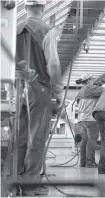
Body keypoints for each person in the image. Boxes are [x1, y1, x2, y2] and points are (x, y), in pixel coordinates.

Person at [16, 0, 63, 196]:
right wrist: (58, 91)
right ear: (43, 8)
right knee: (36, 137)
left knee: (19, 136)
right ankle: (30, 185)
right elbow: (52, 64)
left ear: (25, 7)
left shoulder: (14, 29)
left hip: (17, 89)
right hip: (39, 89)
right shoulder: (47, 30)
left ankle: (12, 178)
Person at [75, 74, 103, 168]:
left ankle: (83, 162)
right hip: (90, 118)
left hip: (82, 119)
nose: (93, 81)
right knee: (92, 140)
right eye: (92, 79)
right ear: (88, 80)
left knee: (85, 140)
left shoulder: (81, 90)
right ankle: (90, 162)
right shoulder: (90, 88)